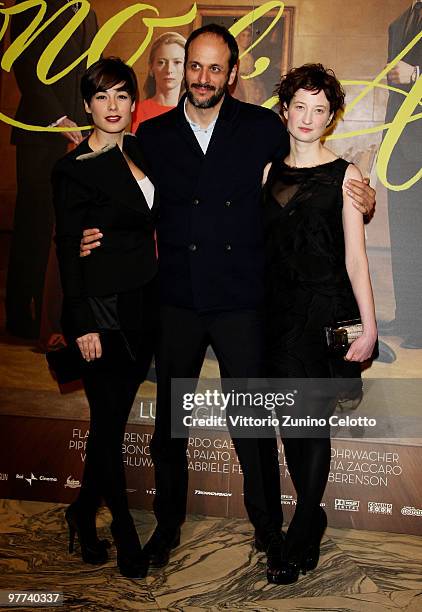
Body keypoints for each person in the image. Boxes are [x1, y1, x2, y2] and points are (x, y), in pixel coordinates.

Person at [80, 25, 376, 579]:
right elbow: (117, 190)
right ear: (181, 69)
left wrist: (362, 192)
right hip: (176, 300)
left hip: (242, 300)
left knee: (251, 424)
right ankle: (167, 526)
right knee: (172, 423)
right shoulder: (156, 133)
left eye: (216, 69)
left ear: (233, 75)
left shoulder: (263, 127)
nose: (203, 77)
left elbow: (309, 165)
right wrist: (85, 229)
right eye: (196, 66)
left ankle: (266, 526)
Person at [263, 64, 378, 584]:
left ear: (331, 118)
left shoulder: (346, 176)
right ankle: (313, 511)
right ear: (285, 110)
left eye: (320, 109)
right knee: (291, 425)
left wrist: (369, 328)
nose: (308, 118)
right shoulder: (267, 172)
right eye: (300, 106)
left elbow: (356, 260)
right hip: (277, 315)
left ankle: (303, 523)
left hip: (325, 314)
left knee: (313, 423)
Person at [52, 57, 158, 578]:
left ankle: (80, 512)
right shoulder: (72, 167)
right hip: (100, 311)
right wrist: (84, 322)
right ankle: (121, 527)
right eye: (101, 97)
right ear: (87, 105)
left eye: (121, 95)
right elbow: (69, 249)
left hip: (143, 308)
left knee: (109, 422)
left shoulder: (143, 149)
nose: (112, 107)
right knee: (109, 423)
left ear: (134, 102)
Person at [6, 0, 98, 339]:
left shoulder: (88, 12)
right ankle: (18, 314)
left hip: (77, 137)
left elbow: (86, 74)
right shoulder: (30, 6)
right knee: (34, 224)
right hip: (40, 136)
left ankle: (54, 314)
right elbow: (25, 65)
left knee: (67, 229)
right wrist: (56, 118)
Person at [379, 1, 422, 348]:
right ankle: (409, 316)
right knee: (405, 239)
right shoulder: (400, 20)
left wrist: (416, 76)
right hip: (400, 149)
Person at [131, 31, 186, 132]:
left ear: (186, 68)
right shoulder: (135, 111)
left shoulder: (194, 114)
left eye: (177, 62)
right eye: (161, 62)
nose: (169, 70)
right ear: (151, 68)